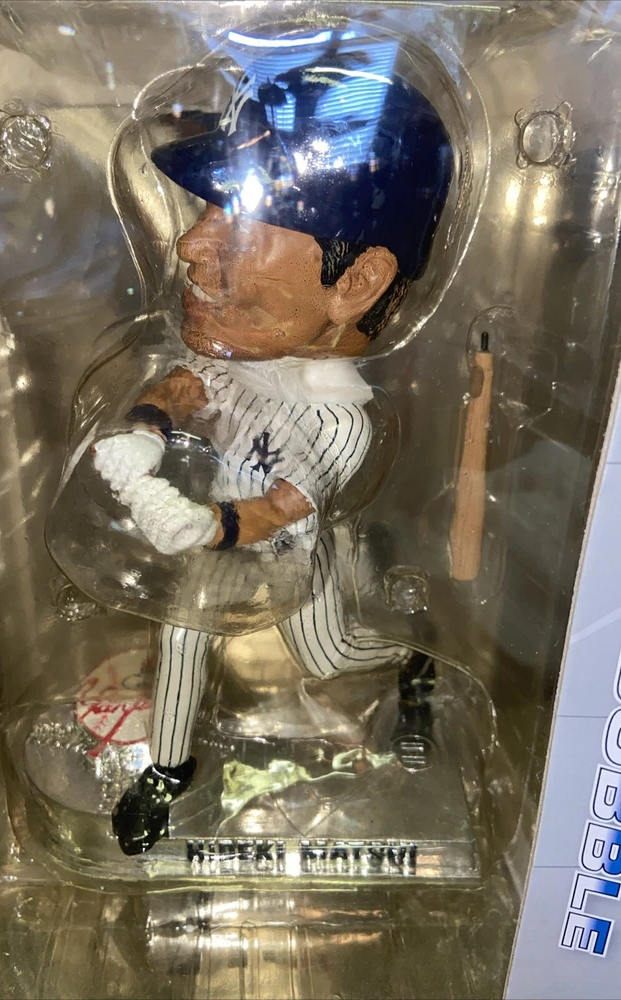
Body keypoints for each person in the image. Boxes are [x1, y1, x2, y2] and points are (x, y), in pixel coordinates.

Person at [89, 37, 453, 855]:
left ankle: (413, 657)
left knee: (328, 652)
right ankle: (167, 773)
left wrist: (204, 526)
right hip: (219, 527)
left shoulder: (339, 419)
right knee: (183, 634)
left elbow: (281, 511)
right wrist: (145, 432)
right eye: (208, 213)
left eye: (240, 221)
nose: (192, 245)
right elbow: (181, 389)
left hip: (290, 551)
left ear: (355, 282)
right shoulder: (237, 358)